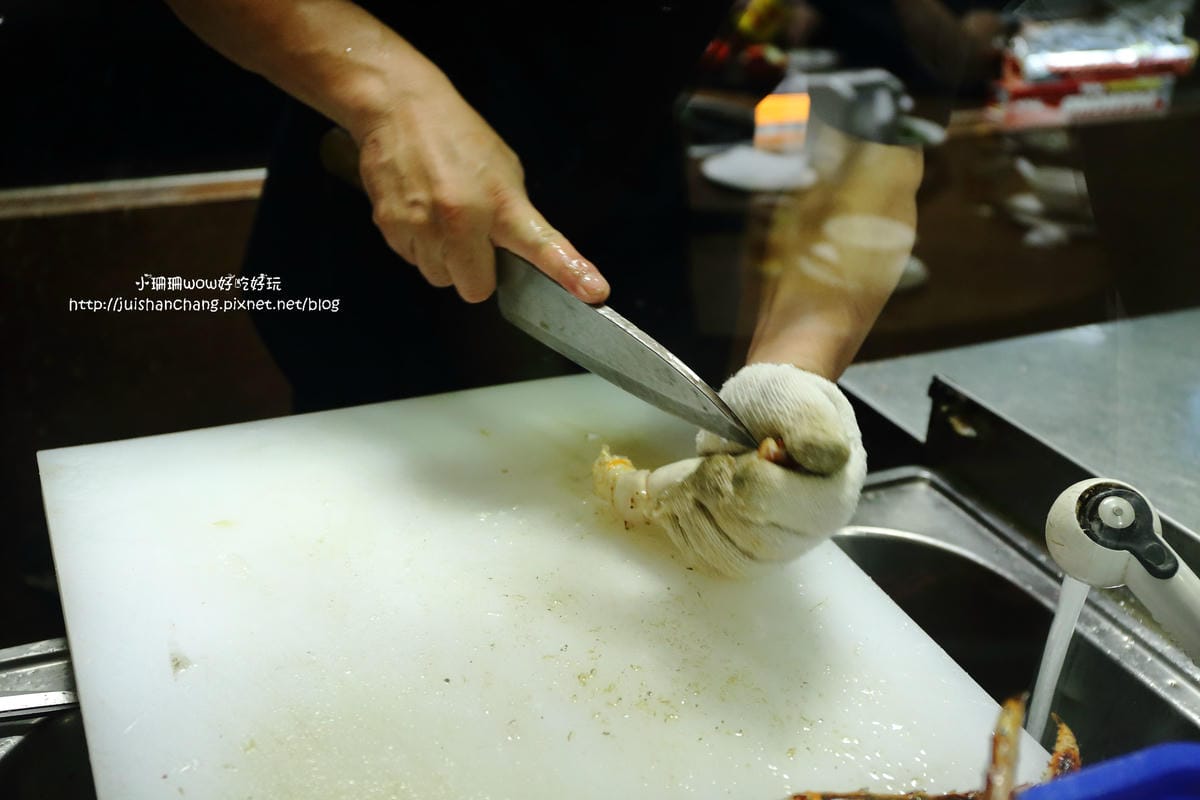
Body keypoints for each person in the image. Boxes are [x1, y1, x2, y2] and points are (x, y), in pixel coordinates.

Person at [164, 0, 924, 575]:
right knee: (364, 554)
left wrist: (794, 375)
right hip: (375, 238)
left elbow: (870, 126)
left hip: (624, 258)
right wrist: (388, 96)